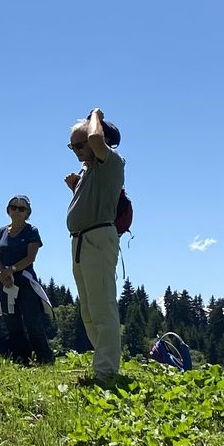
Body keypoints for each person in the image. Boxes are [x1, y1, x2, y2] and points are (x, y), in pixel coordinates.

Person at [65, 109, 126, 380]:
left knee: (102, 307)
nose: (76, 150)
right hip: (82, 241)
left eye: (80, 144)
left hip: (97, 239)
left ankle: (105, 371)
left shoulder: (111, 160)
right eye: (73, 145)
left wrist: (95, 113)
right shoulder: (90, 171)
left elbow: (96, 140)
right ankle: (102, 365)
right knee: (89, 310)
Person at [0, 195, 55, 366]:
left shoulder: (31, 231)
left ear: (28, 213)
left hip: (25, 282)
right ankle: (20, 357)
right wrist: (3, 273)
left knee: (32, 321)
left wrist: (10, 270)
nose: (17, 211)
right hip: (6, 282)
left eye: (21, 208)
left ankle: (45, 359)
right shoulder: (1, 232)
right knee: (11, 321)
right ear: (8, 210)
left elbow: (30, 257)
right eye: (14, 207)